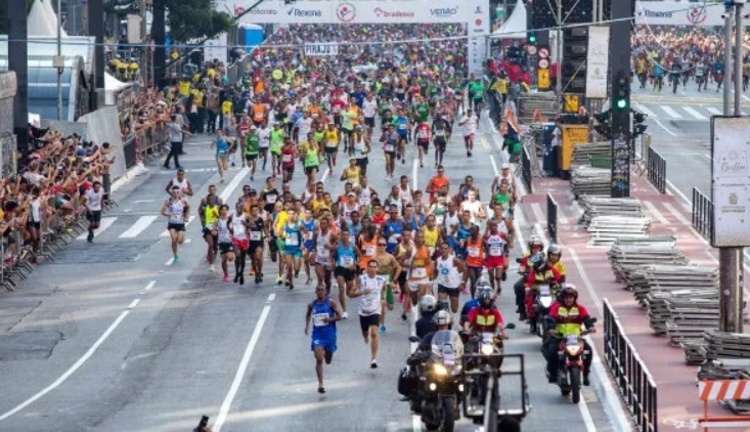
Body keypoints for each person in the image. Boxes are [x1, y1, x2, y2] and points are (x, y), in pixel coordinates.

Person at [543, 284, 596, 385]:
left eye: (571, 297)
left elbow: (587, 319)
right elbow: (551, 319)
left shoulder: (581, 308)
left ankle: (585, 375)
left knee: (588, 351)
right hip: (560, 337)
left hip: (576, 338)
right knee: (551, 352)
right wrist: (551, 329)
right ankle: (553, 374)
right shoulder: (557, 308)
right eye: (566, 297)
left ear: (574, 298)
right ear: (563, 298)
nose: (568, 300)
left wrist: (590, 327)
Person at [305, 283, 342, 394]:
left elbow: (339, 316)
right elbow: (308, 314)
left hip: (329, 335)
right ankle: (321, 384)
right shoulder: (312, 305)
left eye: (322, 290)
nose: (320, 292)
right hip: (317, 335)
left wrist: (329, 320)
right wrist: (307, 326)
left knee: (328, 360)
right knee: (319, 358)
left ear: (326, 292)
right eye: (319, 290)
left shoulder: (331, 303)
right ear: (316, 292)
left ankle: (329, 353)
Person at [350, 259, 387, 369]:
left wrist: (384, 298)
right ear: (366, 268)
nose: (372, 269)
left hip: (375, 310)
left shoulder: (381, 280)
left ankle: (373, 359)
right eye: (370, 267)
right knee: (365, 333)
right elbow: (351, 294)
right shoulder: (361, 279)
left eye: (374, 267)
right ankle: (365, 337)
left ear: (377, 269)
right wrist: (362, 292)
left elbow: (384, 289)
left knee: (374, 333)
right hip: (363, 311)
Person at [434, 242, 466, 314]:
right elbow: (436, 272)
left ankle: (449, 313)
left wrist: (463, 282)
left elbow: (465, 269)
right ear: (440, 250)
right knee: (442, 305)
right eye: (442, 249)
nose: (444, 250)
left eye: (446, 249)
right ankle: (445, 315)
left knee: (454, 310)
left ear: (448, 250)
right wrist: (432, 278)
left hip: (453, 286)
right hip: (442, 285)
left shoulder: (454, 260)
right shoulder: (437, 260)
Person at [161, 185, 190, 262]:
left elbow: (188, 207)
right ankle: (175, 255)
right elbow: (162, 212)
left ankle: (182, 237)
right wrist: (168, 214)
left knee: (180, 241)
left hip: (180, 223)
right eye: (174, 192)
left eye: (177, 192)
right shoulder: (168, 201)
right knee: (174, 239)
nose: (175, 194)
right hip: (172, 223)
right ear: (172, 193)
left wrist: (186, 216)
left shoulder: (183, 200)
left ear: (179, 192)